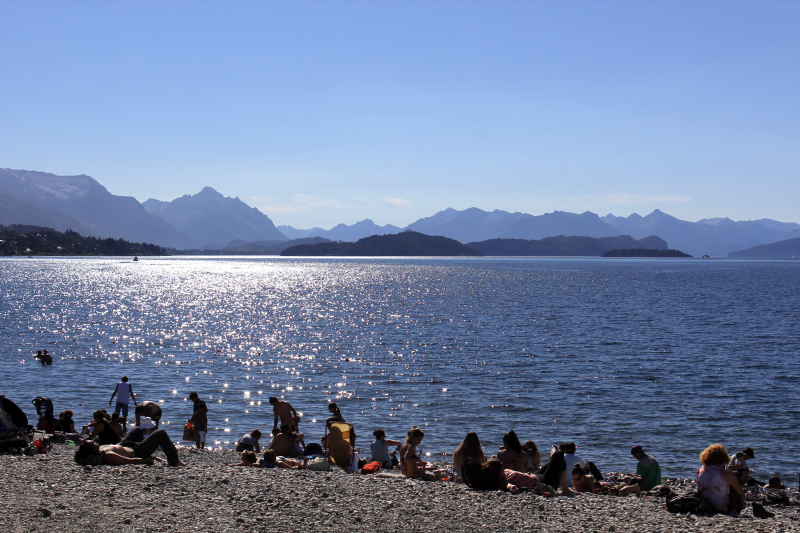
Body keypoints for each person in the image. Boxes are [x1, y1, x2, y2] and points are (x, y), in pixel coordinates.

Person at [74, 428, 185, 466]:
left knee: (136, 429)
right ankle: (174, 461)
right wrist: (146, 461)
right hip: (137, 451)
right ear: (92, 449)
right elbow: (129, 461)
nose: (93, 441)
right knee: (161, 433)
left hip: (124, 445)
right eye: (91, 443)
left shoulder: (101, 450)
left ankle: (147, 445)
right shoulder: (107, 455)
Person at [697, 443, 746, 513]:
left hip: (704, 505)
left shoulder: (701, 470)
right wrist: (742, 504)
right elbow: (741, 493)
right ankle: (738, 508)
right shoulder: (725, 474)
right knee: (736, 476)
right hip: (721, 508)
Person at [572, 464, 640, 496]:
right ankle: (620, 486)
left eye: (578, 479)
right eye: (574, 479)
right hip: (600, 487)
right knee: (617, 488)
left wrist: (580, 489)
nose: (576, 481)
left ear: (583, 475)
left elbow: (592, 492)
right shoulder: (575, 482)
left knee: (619, 492)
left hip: (602, 486)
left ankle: (635, 487)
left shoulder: (590, 478)